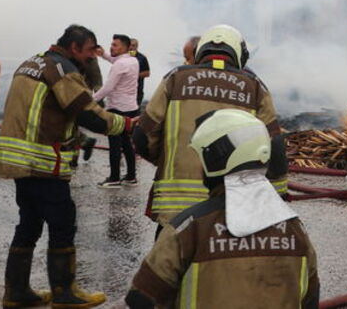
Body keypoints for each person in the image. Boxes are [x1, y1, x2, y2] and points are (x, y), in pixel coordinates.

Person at [0, 24, 134, 308]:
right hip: (42, 160)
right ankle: (65, 293)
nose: (94, 56)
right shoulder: (63, 70)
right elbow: (87, 114)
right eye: (91, 50)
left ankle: (16, 292)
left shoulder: (33, 62)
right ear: (75, 47)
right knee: (62, 223)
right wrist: (126, 124)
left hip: (19, 160)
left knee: (29, 224)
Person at [125, 108, 319, 308]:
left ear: (215, 159)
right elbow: (311, 299)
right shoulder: (296, 230)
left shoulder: (188, 229)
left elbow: (140, 298)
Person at [133, 24, 289, 233]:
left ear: (200, 52)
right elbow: (274, 146)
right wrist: (278, 194)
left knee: (169, 264)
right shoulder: (254, 86)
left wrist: (166, 159)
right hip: (233, 208)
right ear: (239, 55)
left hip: (175, 209)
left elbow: (143, 135)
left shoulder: (175, 78)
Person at [94, 34, 140, 188]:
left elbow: (108, 87)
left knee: (114, 143)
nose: (111, 47)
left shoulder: (119, 65)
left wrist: (90, 101)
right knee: (127, 143)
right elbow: (116, 60)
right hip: (131, 108)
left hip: (117, 109)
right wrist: (104, 55)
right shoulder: (133, 61)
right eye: (111, 44)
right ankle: (131, 176)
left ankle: (114, 178)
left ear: (125, 47)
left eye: (115, 45)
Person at [129, 38, 150, 109]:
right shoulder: (123, 57)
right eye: (130, 45)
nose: (131, 47)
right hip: (124, 91)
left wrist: (135, 75)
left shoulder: (142, 58)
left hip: (137, 91)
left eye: (133, 45)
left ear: (137, 46)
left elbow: (147, 73)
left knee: (134, 112)